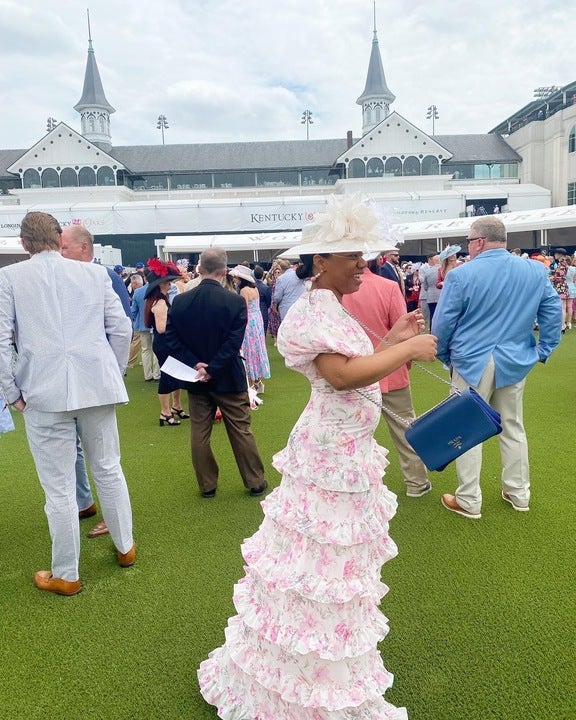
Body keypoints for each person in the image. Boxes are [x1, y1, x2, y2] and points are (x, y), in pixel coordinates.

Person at [197, 195, 437, 719]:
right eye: (352, 255)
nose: (362, 265)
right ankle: (304, 674)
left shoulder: (330, 305)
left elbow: (355, 365)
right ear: (321, 262)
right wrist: (408, 351)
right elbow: (342, 376)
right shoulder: (309, 312)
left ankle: (323, 657)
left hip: (344, 453)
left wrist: (393, 339)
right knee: (319, 568)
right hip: (330, 457)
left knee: (331, 568)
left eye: (364, 255)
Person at [0, 212, 135, 596]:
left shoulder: (9, 278)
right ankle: (125, 547)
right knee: (108, 469)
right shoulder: (93, 273)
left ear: (24, 244)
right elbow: (121, 327)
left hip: (42, 392)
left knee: (58, 488)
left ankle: (67, 573)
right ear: (59, 239)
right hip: (95, 386)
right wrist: (113, 370)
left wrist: (11, 392)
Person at [432, 216, 562, 519]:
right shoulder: (534, 270)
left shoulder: (461, 275)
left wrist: (443, 355)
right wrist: (544, 349)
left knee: (466, 429)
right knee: (513, 426)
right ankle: (519, 493)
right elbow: (552, 311)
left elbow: (444, 323)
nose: (468, 247)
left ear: (478, 242)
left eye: (468, 241)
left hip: (471, 359)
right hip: (515, 359)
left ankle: (468, 499)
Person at [164, 247, 268, 499]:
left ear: (199, 269)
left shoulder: (180, 301)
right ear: (224, 272)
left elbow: (172, 338)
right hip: (227, 375)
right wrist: (213, 367)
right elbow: (234, 342)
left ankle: (207, 485)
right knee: (241, 429)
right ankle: (255, 480)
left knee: (200, 432)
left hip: (196, 377)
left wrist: (197, 365)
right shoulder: (233, 301)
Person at [60, 224, 132, 531]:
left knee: (103, 456)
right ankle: (83, 501)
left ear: (83, 248)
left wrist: (114, 373)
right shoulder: (61, 276)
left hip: (97, 379)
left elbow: (121, 326)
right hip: (69, 380)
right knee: (73, 446)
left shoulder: (106, 276)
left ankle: (110, 516)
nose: (58, 253)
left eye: (63, 248)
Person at [343, 251, 432, 498]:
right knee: (406, 429)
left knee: (350, 433)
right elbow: (404, 329)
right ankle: (416, 482)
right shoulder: (387, 286)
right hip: (390, 369)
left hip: (352, 371)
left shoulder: (336, 292)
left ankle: (349, 484)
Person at [144, 258, 188, 426]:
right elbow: (162, 328)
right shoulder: (161, 302)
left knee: (174, 374)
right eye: (168, 282)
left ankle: (175, 407)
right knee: (168, 376)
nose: (170, 285)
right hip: (165, 343)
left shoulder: (159, 300)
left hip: (165, 343)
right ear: (160, 285)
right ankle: (165, 411)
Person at [229, 265, 270, 399]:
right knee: (257, 348)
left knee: (249, 349)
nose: (235, 280)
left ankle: (252, 382)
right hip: (257, 320)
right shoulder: (255, 288)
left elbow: (244, 308)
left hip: (249, 322)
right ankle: (257, 380)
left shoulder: (244, 291)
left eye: (236, 277)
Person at [132, 271, 161, 382]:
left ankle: (147, 375)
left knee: (145, 350)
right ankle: (157, 374)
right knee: (155, 350)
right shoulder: (158, 290)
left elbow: (134, 311)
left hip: (142, 324)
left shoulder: (138, 292)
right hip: (156, 323)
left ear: (145, 278)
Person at [548, 247, 570, 332]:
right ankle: (562, 325)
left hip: (560, 286)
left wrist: (551, 278)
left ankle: (562, 325)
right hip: (563, 286)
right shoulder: (564, 263)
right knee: (563, 307)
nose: (554, 255)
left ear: (559, 254)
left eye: (556, 253)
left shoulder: (562, 263)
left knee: (562, 307)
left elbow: (560, 277)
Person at [419, 253, 441, 325]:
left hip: (429, 294)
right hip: (429, 295)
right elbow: (421, 280)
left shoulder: (428, 271)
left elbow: (424, 284)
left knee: (432, 315)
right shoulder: (423, 268)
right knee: (426, 315)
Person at [253, 264, 272, 335]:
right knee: (263, 330)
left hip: (255, 308)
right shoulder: (265, 288)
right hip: (263, 308)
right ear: (263, 275)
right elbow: (269, 301)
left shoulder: (252, 286)